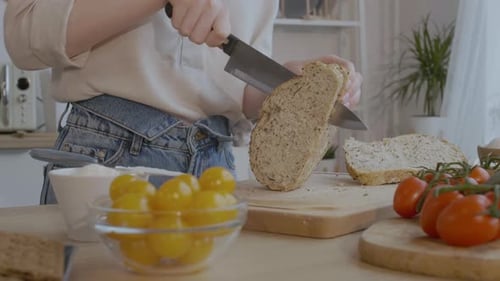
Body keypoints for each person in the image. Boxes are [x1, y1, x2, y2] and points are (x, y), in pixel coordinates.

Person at [4, 0, 362, 204]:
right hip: (109, 161)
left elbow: (236, 94)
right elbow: (25, 35)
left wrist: (291, 87)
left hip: (216, 171)